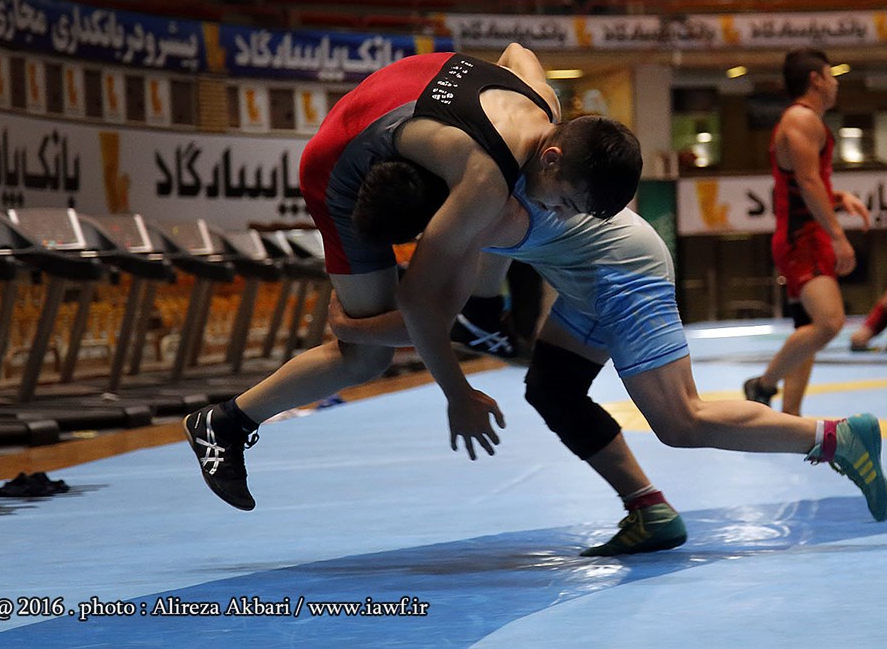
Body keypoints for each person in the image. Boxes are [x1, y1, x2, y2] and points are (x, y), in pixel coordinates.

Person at [328, 158, 887, 555]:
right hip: (588, 271)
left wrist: (350, 327)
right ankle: (649, 510)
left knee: (682, 421)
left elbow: (434, 319)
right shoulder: (470, 176)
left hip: (622, 271)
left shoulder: (470, 217)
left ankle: (836, 437)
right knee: (553, 388)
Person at [182, 44, 642, 511]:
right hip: (336, 162)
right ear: (551, 159)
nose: (558, 215)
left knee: (462, 259)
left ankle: (478, 313)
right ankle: (225, 422)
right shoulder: (485, 183)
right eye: (565, 202)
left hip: (387, 95)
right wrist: (458, 394)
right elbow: (419, 305)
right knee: (366, 359)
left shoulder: (542, 100)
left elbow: (516, 50)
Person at [742, 49, 871, 416]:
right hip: (803, 239)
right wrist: (838, 236)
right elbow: (808, 181)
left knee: (810, 331)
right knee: (830, 323)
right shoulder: (802, 118)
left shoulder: (803, 120)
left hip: (803, 235)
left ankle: (791, 416)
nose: (836, 83)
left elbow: (804, 183)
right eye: (831, 75)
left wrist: (838, 197)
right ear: (816, 79)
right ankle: (762, 385)